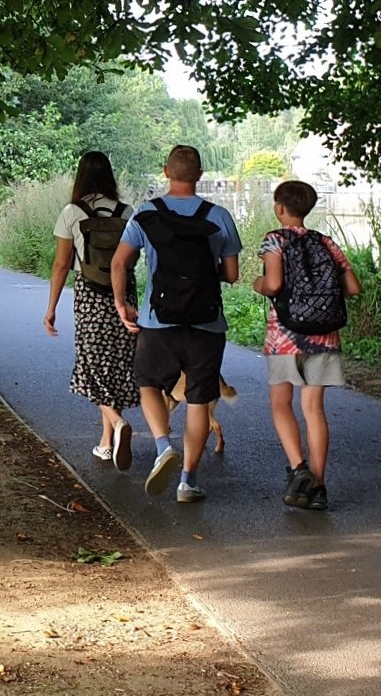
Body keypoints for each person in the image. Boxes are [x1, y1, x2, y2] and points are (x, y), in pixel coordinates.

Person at [110, 145, 242, 503]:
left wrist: (122, 304)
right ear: (200, 175)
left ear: (166, 171)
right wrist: (204, 275)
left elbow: (119, 263)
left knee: (148, 384)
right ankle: (188, 482)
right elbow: (232, 274)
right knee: (199, 400)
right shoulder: (219, 216)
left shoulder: (146, 214)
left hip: (158, 322)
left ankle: (163, 446)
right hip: (207, 324)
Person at [253, 180, 362, 511]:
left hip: (285, 337)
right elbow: (353, 287)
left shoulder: (275, 239)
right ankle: (319, 487)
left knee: (280, 403)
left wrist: (258, 283)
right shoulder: (325, 241)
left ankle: (299, 469)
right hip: (324, 336)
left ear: (279, 208)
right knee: (314, 409)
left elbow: (273, 284)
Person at [43, 151, 140, 470]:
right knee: (115, 365)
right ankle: (106, 442)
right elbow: (133, 258)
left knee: (90, 365)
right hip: (124, 294)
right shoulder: (127, 212)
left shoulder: (72, 212)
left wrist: (51, 308)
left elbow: (61, 264)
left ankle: (118, 423)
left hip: (90, 296)